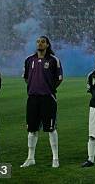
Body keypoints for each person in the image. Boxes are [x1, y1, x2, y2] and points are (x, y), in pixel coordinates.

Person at [21, 36, 63, 168]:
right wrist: (34, 87)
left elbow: (59, 78)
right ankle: (30, 158)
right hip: (33, 98)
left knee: (51, 129)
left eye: (43, 42)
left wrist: (48, 88)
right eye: (38, 41)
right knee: (32, 129)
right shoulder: (29, 60)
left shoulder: (53, 60)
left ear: (48, 45)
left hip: (48, 98)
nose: (40, 43)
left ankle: (55, 158)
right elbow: (26, 77)